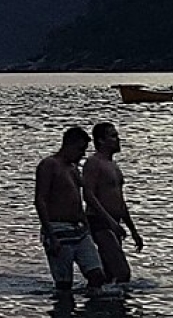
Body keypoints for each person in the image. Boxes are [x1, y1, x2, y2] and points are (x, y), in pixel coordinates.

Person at [34, 126, 105, 291]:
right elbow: (40, 200)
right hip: (58, 228)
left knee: (97, 275)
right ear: (69, 145)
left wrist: (86, 224)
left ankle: (91, 312)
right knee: (64, 284)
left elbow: (79, 199)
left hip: (79, 230)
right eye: (80, 149)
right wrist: (50, 233)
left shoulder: (73, 169)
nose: (82, 155)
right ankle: (66, 312)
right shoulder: (49, 165)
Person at [83, 121, 143, 284]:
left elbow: (120, 200)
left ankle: (100, 302)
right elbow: (88, 195)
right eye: (113, 136)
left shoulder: (113, 166)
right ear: (101, 140)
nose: (118, 139)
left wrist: (133, 230)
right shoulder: (94, 163)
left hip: (114, 222)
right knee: (122, 273)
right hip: (99, 222)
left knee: (109, 273)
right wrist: (109, 221)